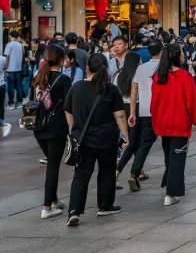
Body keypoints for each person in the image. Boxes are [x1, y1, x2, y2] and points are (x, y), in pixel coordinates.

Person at [64, 54, 128, 226]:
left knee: (81, 175)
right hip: (106, 138)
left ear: (87, 68)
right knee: (106, 172)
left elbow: (68, 110)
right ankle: (105, 205)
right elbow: (120, 115)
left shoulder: (76, 88)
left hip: (83, 139)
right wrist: (125, 135)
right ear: (105, 68)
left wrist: (73, 129)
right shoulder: (110, 89)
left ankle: (74, 210)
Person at [150, 43, 196, 205]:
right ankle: (171, 193)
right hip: (179, 124)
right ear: (177, 56)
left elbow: (154, 103)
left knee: (169, 156)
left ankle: (169, 185)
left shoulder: (158, 77)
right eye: (182, 52)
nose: (183, 55)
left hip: (163, 124)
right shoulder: (184, 77)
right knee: (177, 158)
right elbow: (193, 103)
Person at [31, 44, 71, 219]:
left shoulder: (38, 77)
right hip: (56, 128)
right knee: (53, 166)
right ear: (62, 60)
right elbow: (68, 106)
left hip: (39, 127)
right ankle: (47, 207)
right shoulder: (63, 80)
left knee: (52, 163)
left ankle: (53, 199)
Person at [126, 40, 162, 191]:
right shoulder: (163, 67)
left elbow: (133, 92)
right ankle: (171, 172)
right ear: (162, 51)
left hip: (145, 111)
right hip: (161, 110)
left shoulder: (140, 69)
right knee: (169, 141)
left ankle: (134, 172)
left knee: (145, 142)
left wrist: (133, 112)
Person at [115, 52, 143, 180]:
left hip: (121, 108)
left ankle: (139, 171)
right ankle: (118, 170)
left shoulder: (118, 75)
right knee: (133, 142)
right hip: (135, 109)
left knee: (135, 140)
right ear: (137, 62)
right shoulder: (138, 76)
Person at [4, 30, 24, 109]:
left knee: (10, 86)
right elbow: (22, 56)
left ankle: (11, 103)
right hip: (18, 68)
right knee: (18, 85)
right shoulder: (20, 45)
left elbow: (7, 57)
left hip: (10, 68)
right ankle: (19, 102)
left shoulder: (9, 45)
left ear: (11, 36)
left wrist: (5, 68)